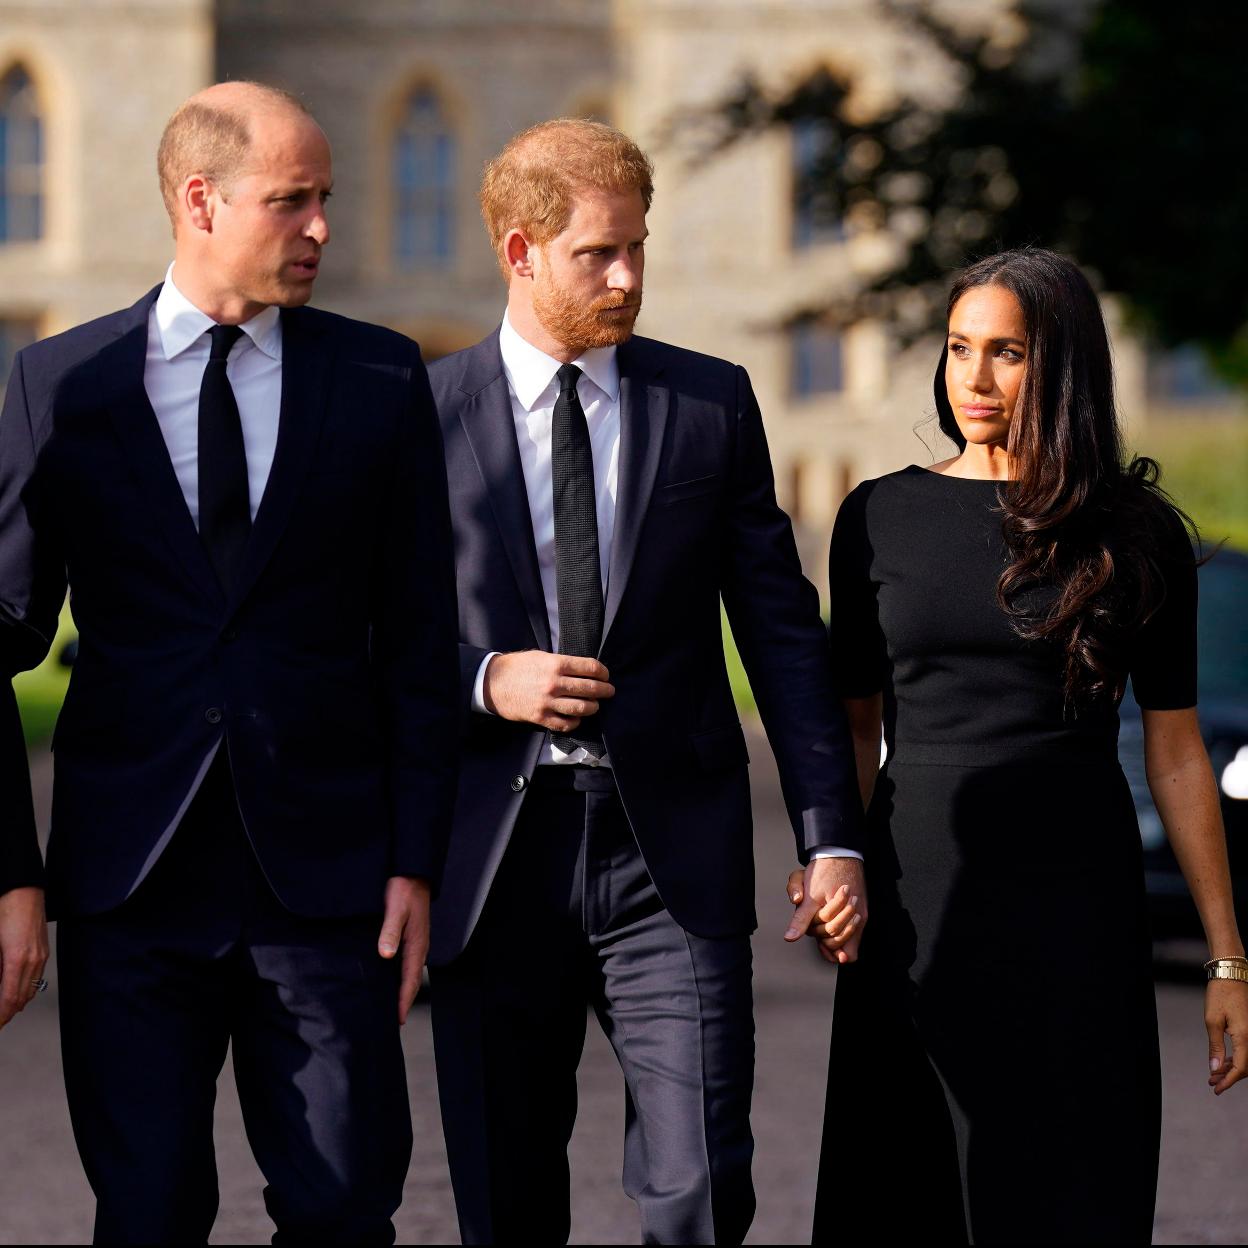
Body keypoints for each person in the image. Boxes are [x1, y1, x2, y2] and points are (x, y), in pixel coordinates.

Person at [0, 82, 459, 1244]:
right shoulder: (60, 387)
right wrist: (11, 874)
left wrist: (415, 862)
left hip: (329, 890)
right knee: (147, 1213)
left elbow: (416, 641)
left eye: (327, 201)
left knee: (345, 1205)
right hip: (126, 885)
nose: (320, 229)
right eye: (292, 200)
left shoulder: (379, 378)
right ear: (199, 201)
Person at [425, 118, 865, 1246]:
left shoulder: (708, 405)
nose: (627, 279)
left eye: (639, 250)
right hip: (493, 860)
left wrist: (830, 833)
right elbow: (360, 637)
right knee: (504, 1195)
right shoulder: (419, 419)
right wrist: (484, 679)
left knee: (703, 1190)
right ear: (520, 253)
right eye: (596, 255)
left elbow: (782, 633)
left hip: (668, 858)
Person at [795, 247, 1248, 1244]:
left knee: (1068, 1195)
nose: (975, 377)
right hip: (917, 902)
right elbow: (854, 719)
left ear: (1063, 367)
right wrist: (829, 854)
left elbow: (1175, 753)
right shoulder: (879, 515)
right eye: (960, 348)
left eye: (1007, 353)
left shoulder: (1135, 532)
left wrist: (1227, 960)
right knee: (904, 1188)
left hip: (1077, 911)